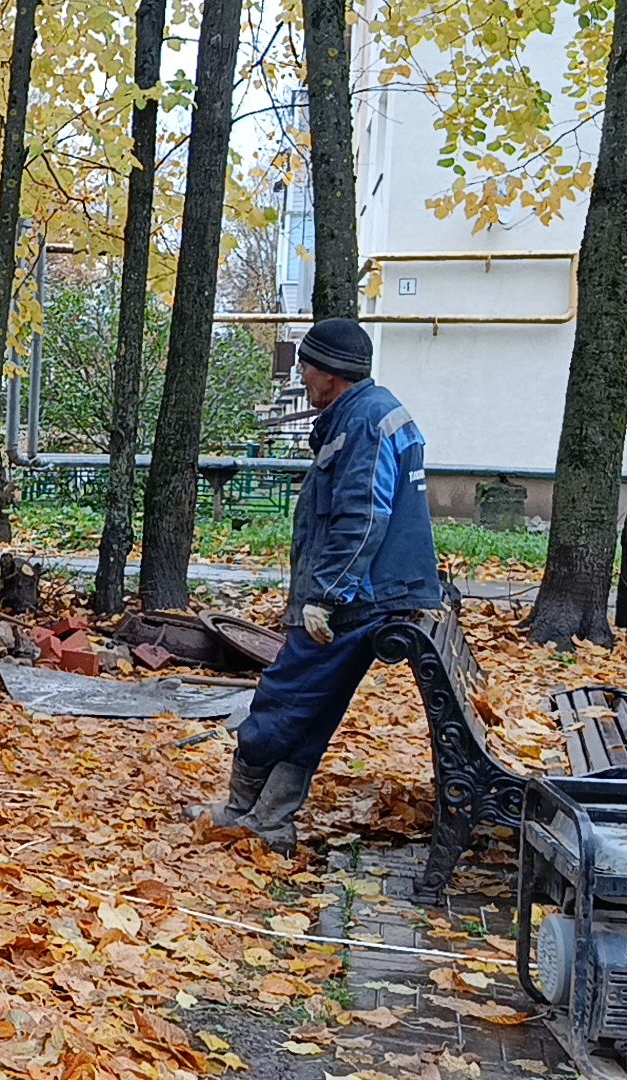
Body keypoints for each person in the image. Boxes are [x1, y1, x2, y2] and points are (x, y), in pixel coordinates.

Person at [188, 317, 441, 854]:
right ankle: (269, 820)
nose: (301, 375)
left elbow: (362, 517)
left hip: (353, 602)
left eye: (305, 364)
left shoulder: (364, 423)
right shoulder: (372, 413)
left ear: (331, 371)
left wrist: (325, 598)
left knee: (282, 698)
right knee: (311, 709)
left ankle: (242, 812)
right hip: (374, 596)